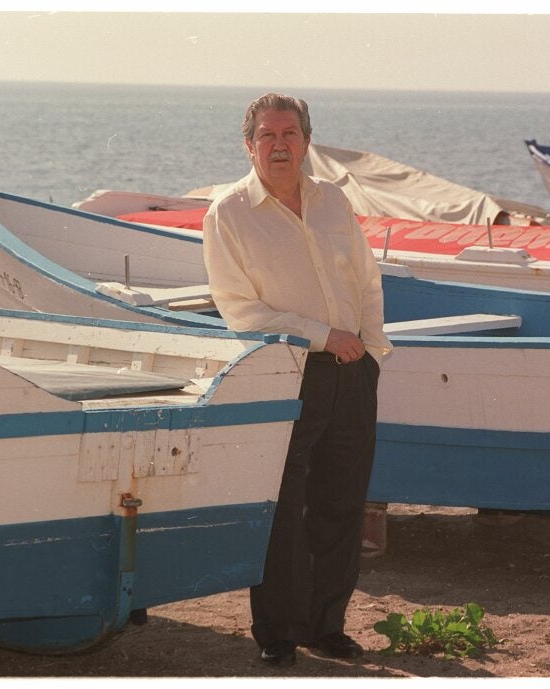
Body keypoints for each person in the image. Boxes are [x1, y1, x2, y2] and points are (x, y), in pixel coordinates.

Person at [202, 93, 392, 667]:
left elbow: (365, 281)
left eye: (290, 134)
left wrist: (373, 351)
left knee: (341, 502)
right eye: (267, 135)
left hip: (353, 371)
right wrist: (322, 335)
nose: (280, 145)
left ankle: (325, 626)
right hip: (286, 373)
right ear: (249, 145)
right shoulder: (228, 213)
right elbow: (241, 310)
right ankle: (279, 632)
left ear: (306, 142)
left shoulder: (333, 202)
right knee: (283, 506)